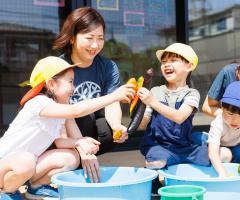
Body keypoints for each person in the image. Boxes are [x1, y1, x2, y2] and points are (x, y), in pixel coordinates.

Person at [0, 56, 135, 199]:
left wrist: (79, 142)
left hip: (26, 165)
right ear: (51, 84)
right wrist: (115, 96)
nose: (74, 88)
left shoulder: (59, 108)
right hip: (5, 164)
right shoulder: (39, 103)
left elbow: (60, 141)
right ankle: (6, 192)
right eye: (70, 82)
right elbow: (76, 111)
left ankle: (36, 187)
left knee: (71, 158)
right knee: (26, 160)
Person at [52, 7, 126, 154]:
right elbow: (59, 115)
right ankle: (78, 156)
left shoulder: (108, 67)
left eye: (100, 38)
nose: (95, 45)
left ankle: (86, 155)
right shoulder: (58, 67)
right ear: (72, 37)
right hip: (63, 129)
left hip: (91, 126)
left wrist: (117, 126)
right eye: (89, 38)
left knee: (107, 129)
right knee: (83, 117)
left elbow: (112, 102)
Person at [138, 43, 210, 170]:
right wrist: (137, 111)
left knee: (222, 155)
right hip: (160, 146)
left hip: (186, 147)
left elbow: (180, 117)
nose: (166, 64)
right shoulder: (155, 91)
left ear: (190, 66)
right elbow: (143, 124)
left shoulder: (191, 93)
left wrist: (153, 102)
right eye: (164, 61)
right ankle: (156, 177)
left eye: (173, 60)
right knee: (156, 162)